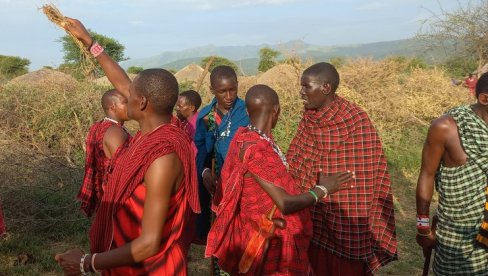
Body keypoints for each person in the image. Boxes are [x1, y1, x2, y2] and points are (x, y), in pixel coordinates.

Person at [54, 18, 200, 275]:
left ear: (142, 103)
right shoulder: (155, 133)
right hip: (124, 263)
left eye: (129, 94)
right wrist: (90, 42)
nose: (124, 93)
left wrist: (86, 263)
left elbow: (149, 243)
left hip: (150, 268)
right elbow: (122, 81)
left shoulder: (162, 156)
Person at [205, 84, 354, 275]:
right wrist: (323, 189)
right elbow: (285, 203)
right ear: (276, 110)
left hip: (255, 229)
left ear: (248, 110)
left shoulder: (245, 137)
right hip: (267, 238)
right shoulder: (257, 149)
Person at [286, 62, 398, 275]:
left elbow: (366, 173)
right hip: (311, 211)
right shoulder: (309, 117)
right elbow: (296, 159)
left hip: (346, 211)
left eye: (306, 87)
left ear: (326, 88)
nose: (301, 92)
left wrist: (329, 190)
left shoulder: (355, 120)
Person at [416, 72, 488, 275]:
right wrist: (423, 227)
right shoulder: (446, 127)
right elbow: (426, 175)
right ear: (484, 99)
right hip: (457, 233)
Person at [194, 65, 249, 243]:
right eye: (222, 91)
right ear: (212, 90)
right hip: (216, 185)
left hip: (243, 184)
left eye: (233, 89)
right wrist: (204, 172)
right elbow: (200, 151)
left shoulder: (248, 112)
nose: (229, 96)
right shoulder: (206, 117)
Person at [77, 89, 130, 218]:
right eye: (125, 103)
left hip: (105, 195)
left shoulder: (99, 126)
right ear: (113, 107)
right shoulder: (115, 132)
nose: (130, 106)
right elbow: (124, 171)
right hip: (117, 198)